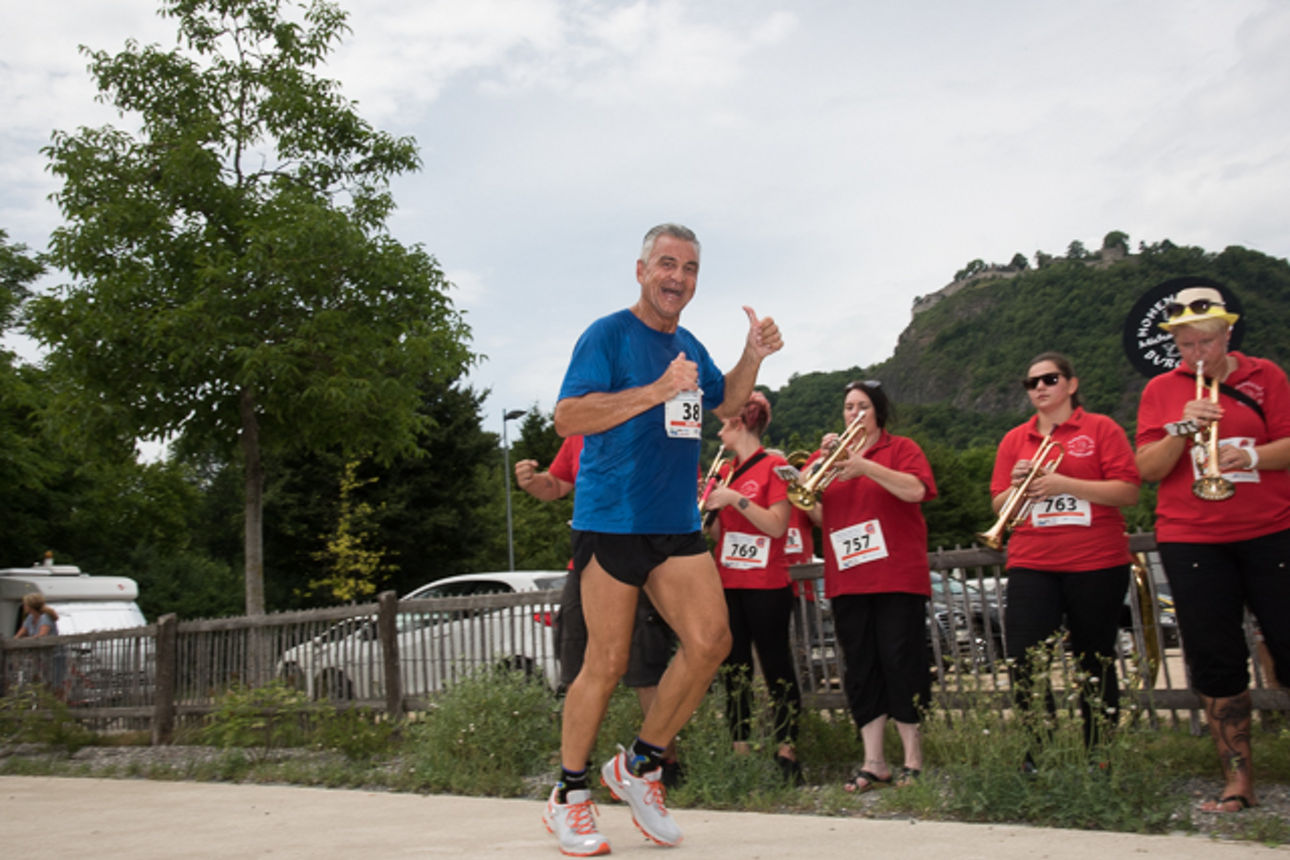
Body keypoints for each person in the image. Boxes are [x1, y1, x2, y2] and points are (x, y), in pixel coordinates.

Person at [541, 223, 782, 856]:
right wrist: (656, 390)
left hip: (675, 523)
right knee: (607, 662)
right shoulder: (608, 335)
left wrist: (752, 355)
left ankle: (640, 767)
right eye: (667, 264)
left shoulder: (690, 345)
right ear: (642, 270)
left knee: (711, 642)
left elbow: (726, 404)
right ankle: (568, 794)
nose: (678, 277)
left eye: (690, 268)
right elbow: (567, 416)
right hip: (612, 520)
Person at [1135, 285, 1290, 813]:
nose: (1195, 353)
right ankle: (1238, 781)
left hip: (1270, 529)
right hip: (1192, 536)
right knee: (1215, 658)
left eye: (1205, 341)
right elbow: (1147, 469)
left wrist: (1250, 456)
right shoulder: (1161, 388)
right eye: (1184, 344)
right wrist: (1183, 428)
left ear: (1227, 333)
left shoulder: (1266, 376)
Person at [989, 352, 1140, 765]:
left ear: (1071, 385)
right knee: (1023, 658)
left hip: (1096, 560)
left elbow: (1128, 490)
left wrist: (1063, 484)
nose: (1039, 387)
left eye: (1049, 379)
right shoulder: (1014, 440)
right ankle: (1038, 752)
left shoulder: (1102, 428)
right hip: (1033, 560)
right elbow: (1000, 505)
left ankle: (1100, 754)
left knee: (1095, 659)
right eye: (1032, 382)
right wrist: (1018, 486)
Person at [514, 435, 681, 787]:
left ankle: (663, 763)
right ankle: (575, 771)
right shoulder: (579, 432)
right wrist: (532, 483)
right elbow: (557, 484)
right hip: (586, 564)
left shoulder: (650, 422)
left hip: (639, 558)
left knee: (645, 667)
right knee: (575, 665)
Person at [804, 380, 936, 793]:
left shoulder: (902, 449)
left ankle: (912, 759)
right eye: (848, 407)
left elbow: (915, 490)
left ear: (878, 411)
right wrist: (805, 481)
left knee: (901, 661)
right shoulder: (829, 458)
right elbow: (821, 517)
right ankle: (873, 761)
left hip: (897, 576)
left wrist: (864, 466)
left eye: (862, 406)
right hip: (848, 579)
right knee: (860, 668)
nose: (854, 413)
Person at [701, 391, 804, 784]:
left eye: (724, 424)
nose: (719, 433)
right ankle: (739, 747)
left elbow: (777, 526)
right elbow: (719, 536)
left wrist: (735, 500)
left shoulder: (775, 466)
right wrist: (711, 509)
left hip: (767, 583)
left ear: (740, 423)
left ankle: (787, 749)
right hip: (729, 580)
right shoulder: (725, 471)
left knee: (777, 664)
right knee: (734, 668)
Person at [14, 592, 66, 697]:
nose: (24, 606)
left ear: (31, 606)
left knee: (55, 682)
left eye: (25, 604)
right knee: (40, 681)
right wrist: (15, 641)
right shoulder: (30, 618)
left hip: (54, 655)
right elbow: (21, 633)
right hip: (40, 656)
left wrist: (29, 640)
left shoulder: (45, 618)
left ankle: (58, 702)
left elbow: (42, 635)